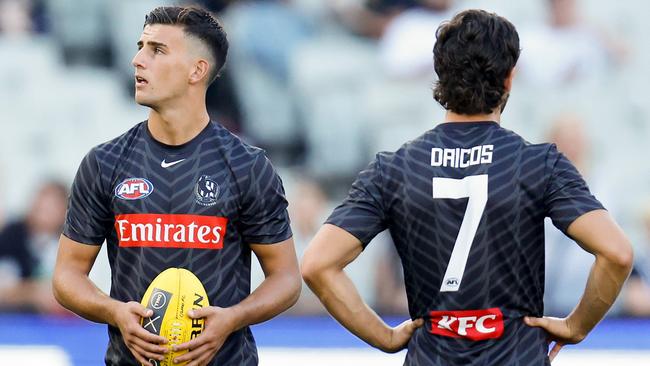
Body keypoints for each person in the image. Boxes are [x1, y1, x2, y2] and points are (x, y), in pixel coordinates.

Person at [301, 9, 633, 365]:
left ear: (440, 75)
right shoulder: (538, 163)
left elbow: (317, 265)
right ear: (509, 79)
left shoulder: (395, 168)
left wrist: (384, 336)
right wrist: (576, 326)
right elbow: (617, 253)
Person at [52, 6, 300, 366]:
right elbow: (66, 276)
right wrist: (114, 311)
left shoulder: (247, 166)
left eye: (157, 50)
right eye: (140, 46)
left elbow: (287, 279)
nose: (137, 60)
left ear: (197, 70)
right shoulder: (104, 163)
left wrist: (233, 318)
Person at [0, 181, 68, 314]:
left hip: (50, 327)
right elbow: (3, 290)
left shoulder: (69, 243)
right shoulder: (10, 237)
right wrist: (34, 293)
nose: (43, 212)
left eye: (51, 208)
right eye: (41, 206)